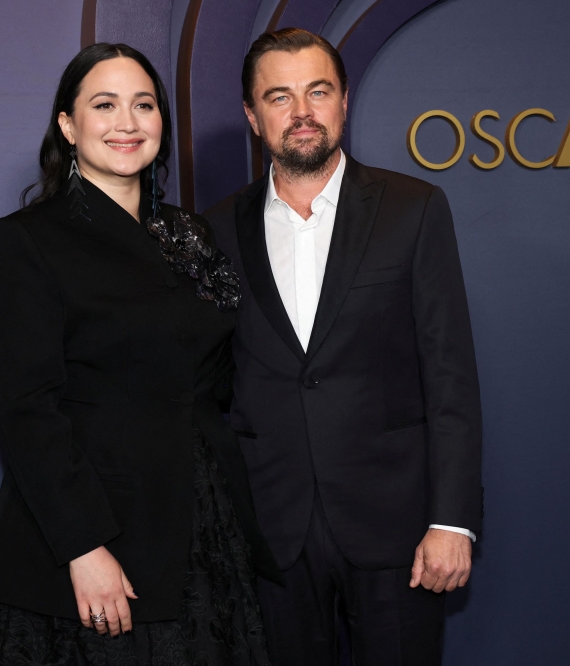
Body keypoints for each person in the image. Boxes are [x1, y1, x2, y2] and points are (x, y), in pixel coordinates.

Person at [0, 42, 280, 665]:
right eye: (104, 104)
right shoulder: (27, 240)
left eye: (144, 105)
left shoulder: (191, 235)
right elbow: (29, 409)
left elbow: (219, 375)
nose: (127, 122)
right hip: (93, 531)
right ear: (68, 124)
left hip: (201, 523)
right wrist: (83, 547)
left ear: (161, 123)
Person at [204, 28, 483, 665]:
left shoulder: (413, 208)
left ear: (344, 101)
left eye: (317, 91)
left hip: (400, 533)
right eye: (279, 96)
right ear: (252, 115)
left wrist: (453, 520)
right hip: (273, 535)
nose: (301, 112)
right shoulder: (214, 230)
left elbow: (451, 377)